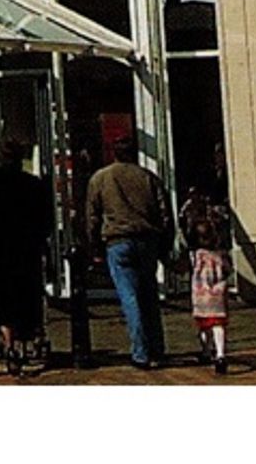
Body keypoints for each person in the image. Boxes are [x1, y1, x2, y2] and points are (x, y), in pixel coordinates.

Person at [86, 134, 172, 370]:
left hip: (118, 240)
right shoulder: (148, 178)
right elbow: (165, 214)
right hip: (147, 240)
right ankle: (157, 348)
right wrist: (166, 247)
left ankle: (141, 352)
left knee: (130, 297)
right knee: (149, 296)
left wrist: (94, 246)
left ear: (114, 153)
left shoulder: (100, 178)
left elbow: (92, 216)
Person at [0, 138, 55, 373]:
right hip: (27, 250)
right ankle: (24, 341)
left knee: (3, 301)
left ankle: (9, 344)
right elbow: (46, 222)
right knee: (28, 297)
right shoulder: (34, 185)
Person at [187, 210, 233, 375]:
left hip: (200, 295)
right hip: (218, 295)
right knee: (218, 325)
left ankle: (206, 351)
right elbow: (228, 270)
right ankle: (221, 354)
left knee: (204, 326)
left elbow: (187, 269)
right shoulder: (220, 256)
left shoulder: (195, 256)